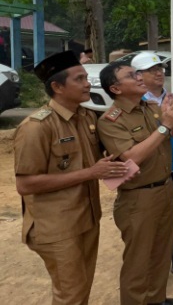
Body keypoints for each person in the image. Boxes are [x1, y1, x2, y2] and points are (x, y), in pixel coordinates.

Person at [13, 51, 128, 304]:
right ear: (57, 86)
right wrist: (91, 172)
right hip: (57, 228)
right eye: (79, 79)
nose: (87, 83)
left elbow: (99, 157)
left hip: (86, 219)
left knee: (81, 287)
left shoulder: (86, 116)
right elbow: (25, 184)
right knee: (70, 294)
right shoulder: (37, 127)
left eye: (86, 77)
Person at [97, 60, 173, 305]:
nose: (138, 77)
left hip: (165, 188)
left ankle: (156, 300)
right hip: (138, 198)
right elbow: (132, 157)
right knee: (138, 263)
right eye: (130, 75)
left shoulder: (149, 106)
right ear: (115, 88)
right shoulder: (110, 120)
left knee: (160, 254)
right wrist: (165, 125)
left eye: (137, 73)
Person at [131, 52, 173, 281]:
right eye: (152, 70)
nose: (159, 72)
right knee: (152, 221)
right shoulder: (134, 101)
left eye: (160, 68)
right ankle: (151, 269)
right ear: (138, 75)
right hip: (149, 171)